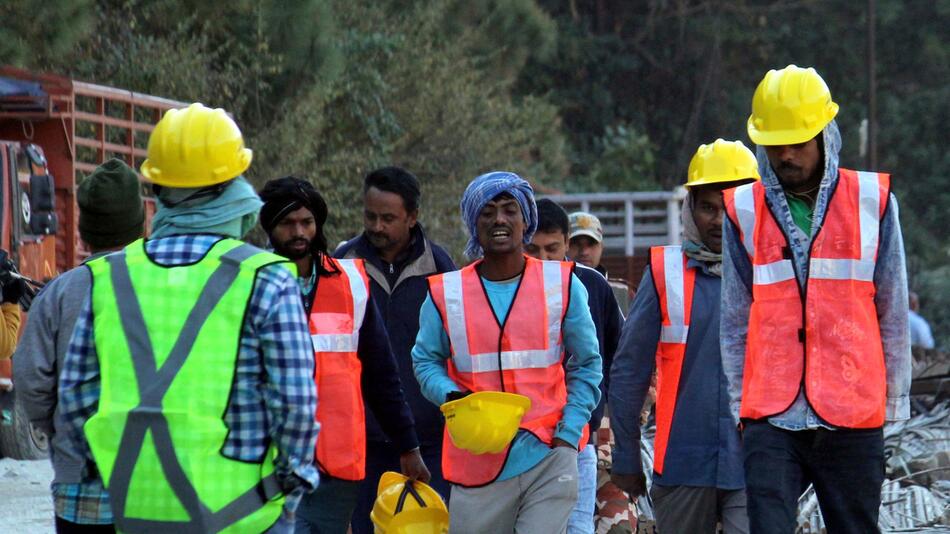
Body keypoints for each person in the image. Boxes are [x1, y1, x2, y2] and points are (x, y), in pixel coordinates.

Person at [59, 103, 319, 533]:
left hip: (137, 509)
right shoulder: (267, 279)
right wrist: (290, 485)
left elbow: (77, 397)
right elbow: (294, 404)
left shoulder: (110, 275)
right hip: (245, 514)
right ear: (232, 186)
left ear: (157, 189)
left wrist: (109, 479)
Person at [721, 65, 911, 533]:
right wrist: (738, 405)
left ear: (826, 135)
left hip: (852, 409)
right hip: (771, 413)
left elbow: (892, 307)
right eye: (775, 144)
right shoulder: (742, 210)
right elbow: (734, 318)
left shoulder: (874, 201)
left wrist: (894, 403)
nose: (786, 155)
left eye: (798, 143)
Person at [413, 171, 603, 533]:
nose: (499, 219)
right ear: (474, 223)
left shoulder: (562, 284)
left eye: (509, 210)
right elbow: (424, 361)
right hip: (475, 460)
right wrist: (451, 396)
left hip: (549, 454)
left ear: (525, 220)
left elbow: (588, 363)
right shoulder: (446, 293)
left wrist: (568, 433)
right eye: (487, 212)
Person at [259, 176, 429, 534]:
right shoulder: (252, 283)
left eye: (306, 222)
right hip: (270, 463)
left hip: (337, 467)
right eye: (287, 224)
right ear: (270, 227)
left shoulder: (352, 282)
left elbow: (381, 375)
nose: (298, 232)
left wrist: (408, 445)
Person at [610, 139, 759, 533]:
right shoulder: (665, 271)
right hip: (681, 463)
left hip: (756, 463)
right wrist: (625, 456)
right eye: (708, 207)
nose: (718, 220)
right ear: (690, 208)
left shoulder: (773, 273)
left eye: (729, 208)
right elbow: (629, 372)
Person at [13, 158, 144, 532]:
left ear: (85, 232)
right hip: (160, 488)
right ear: (142, 224)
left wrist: (61, 426)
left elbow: (29, 378)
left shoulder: (60, 294)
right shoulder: (171, 287)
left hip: (81, 490)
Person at [333, 166, 456, 533]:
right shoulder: (343, 263)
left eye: (388, 218)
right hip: (364, 441)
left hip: (429, 438)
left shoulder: (440, 267)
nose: (377, 226)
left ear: (413, 217)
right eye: (370, 216)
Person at [526, 198, 622, 534]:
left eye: (552, 248)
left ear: (565, 244)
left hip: (579, 436)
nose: (543, 259)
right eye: (534, 248)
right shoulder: (509, 287)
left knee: (578, 528)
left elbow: (615, 351)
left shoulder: (593, 285)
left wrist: (597, 411)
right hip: (524, 439)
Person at [568, 212, 632, 313]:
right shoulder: (553, 291)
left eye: (591, 244)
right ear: (563, 246)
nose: (584, 252)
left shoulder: (624, 292)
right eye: (575, 244)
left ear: (602, 247)